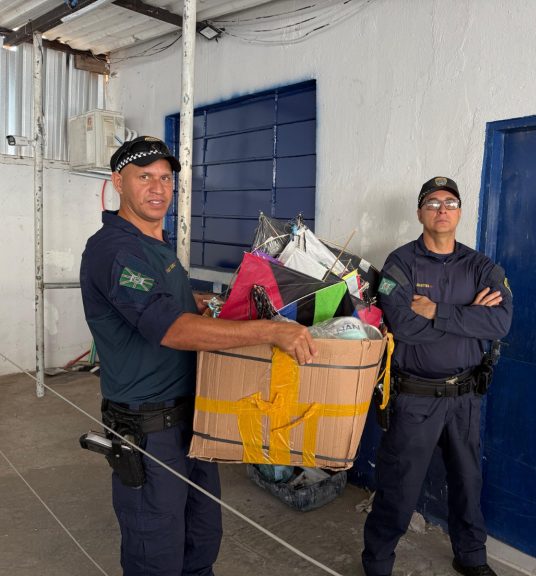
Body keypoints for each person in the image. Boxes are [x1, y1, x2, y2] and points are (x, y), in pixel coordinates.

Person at [80, 135, 317, 576]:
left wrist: (210, 301)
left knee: (201, 538)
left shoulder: (154, 242)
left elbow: (171, 301)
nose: (158, 188)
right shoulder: (114, 250)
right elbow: (170, 327)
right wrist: (270, 331)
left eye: (165, 178)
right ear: (118, 182)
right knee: (156, 553)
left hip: (194, 419)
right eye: (144, 177)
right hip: (149, 431)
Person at [362, 176, 513, 576]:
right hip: (415, 398)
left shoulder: (480, 266)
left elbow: (500, 323)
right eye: (432, 203)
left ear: (459, 212)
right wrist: (470, 316)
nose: (442, 210)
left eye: (450, 203)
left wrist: (437, 311)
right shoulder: (399, 264)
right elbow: (404, 326)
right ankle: (377, 563)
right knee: (398, 487)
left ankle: (471, 557)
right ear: (420, 213)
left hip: (465, 397)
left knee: (468, 482)